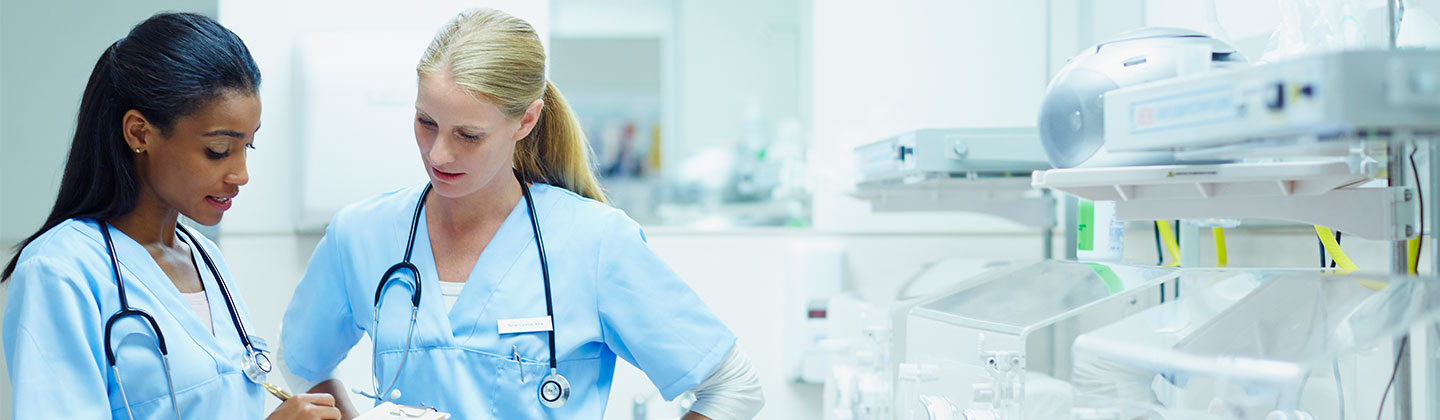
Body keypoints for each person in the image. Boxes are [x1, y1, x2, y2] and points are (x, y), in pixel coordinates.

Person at [278, 8, 763, 420]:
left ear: (525, 121)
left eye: (468, 135)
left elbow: (732, 386)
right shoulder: (361, 234)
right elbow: (301, 361)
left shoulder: (593, 242)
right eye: (427, 123)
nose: (438, 155)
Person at [1, 12, 339, 420]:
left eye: (246, 147)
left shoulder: (205, 259)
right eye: (217, 150)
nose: (241, 175)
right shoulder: (61, 271)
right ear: (139, 133)